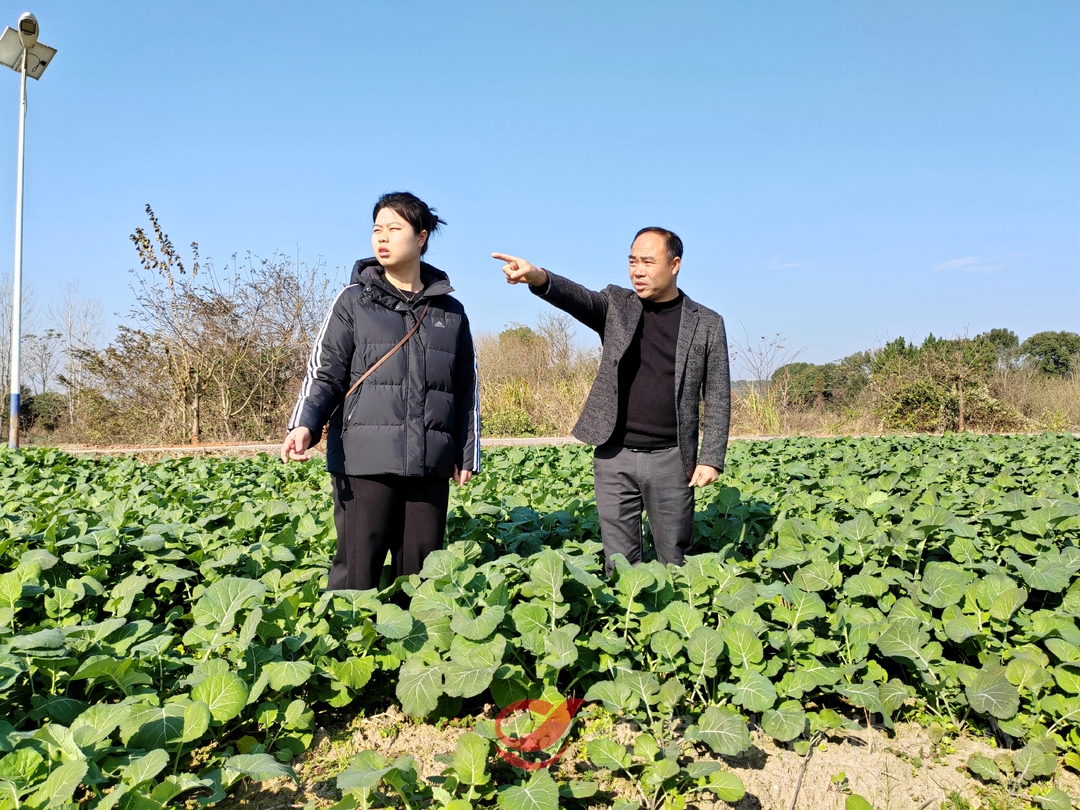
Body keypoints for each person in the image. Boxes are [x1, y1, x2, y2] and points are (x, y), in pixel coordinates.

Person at [493, 228, 729, 575]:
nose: (637, 270)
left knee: (676, 556)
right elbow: (578, 298)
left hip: (671, 457)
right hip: (614, 455)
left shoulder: (706, 323)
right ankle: (626, 622)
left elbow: (719, 394)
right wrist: (538, 277)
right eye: (632, 262)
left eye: (648, 262)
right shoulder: (617, 305)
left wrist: (711, 459)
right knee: (618, 561)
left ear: (675, 264)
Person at [282, 192, 480, 591]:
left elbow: (465, 388)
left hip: (429, 461)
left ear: (421, 237)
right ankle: (348, 650)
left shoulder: (450, 312)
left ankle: (416, 652)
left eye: (394, 228)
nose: (382, 238)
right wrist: (304, 424)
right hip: (363, 461)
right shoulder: (353, 301)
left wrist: (466, 452)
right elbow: (325, 372)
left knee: (422, 580)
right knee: (357, 573)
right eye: (377, 229)